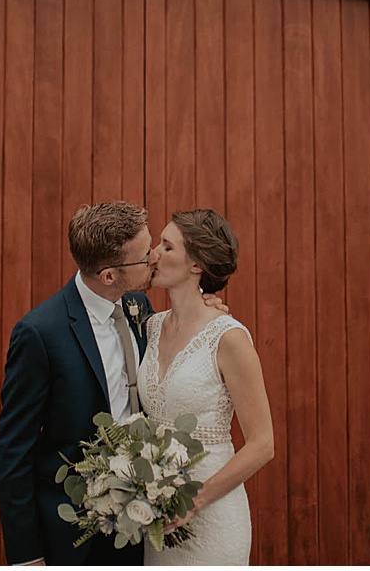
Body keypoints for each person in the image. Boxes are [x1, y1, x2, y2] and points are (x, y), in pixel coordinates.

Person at [0, 202, 226, 566]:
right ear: (108, 276)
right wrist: (26, 557)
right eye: (143, 256)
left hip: (143, 524)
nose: (154, 258)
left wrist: (204, 312)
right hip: (71, 531)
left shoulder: (138, 307)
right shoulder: (39, 334)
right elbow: (13, 450)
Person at [138, 209, 274, 565]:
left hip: (212, 517)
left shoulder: (228, 338)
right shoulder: (151, 327)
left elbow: (262, 444)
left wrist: (195, 500)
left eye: (167, 247)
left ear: (196, 265)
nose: (154, 254)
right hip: (159, 519)